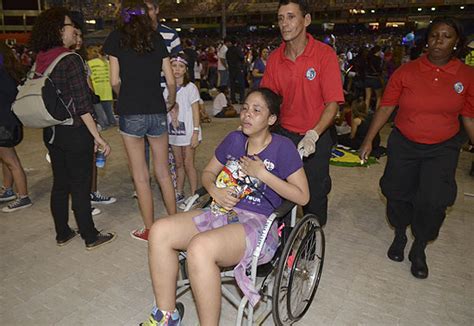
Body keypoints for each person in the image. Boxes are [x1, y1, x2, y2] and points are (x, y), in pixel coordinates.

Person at [142, 88, 309, 326]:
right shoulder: (234, 139)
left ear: (271, 119)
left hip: (260, 223)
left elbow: (302, 197)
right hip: (221, 211)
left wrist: (263, 174)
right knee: (159, 231)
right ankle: (167, 315)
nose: (247, 115)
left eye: (256, 110)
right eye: (245, 108)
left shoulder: (283, 148)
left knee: (200, 248)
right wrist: (214, 190)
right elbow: (209, 173)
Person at [359, 17, 474, 279]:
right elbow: (386, 106)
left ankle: (419, 246)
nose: (438, 42)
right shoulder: (406, 71)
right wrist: (368, 139)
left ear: (456, 41)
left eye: (446, 36)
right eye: (434, 35)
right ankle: (400, 235)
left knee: (434, 201)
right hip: (404, 143)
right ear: (427, 39)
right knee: (396, 192)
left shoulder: (467, 76)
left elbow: (468, 115)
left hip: (442, 148)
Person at [30, 7, 115, 249]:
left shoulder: (42, 58)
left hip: (52, 131)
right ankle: (90, 235)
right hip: (75, 131)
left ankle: (62, 232)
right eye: (70, 27)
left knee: (60, 183)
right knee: (80, 184)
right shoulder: (70, 59)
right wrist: (98, 137)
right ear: (59, 30)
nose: (74, 30)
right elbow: (82, 105)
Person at [261, 0, 344, 226]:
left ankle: (311, 239)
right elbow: (268, 100)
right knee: (276, 190)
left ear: (306, 20)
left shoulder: (324, 55)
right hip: (284, 134)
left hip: (317, 133)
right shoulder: (275, 58)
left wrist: (314, 134)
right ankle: (277, 241)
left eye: (291, 17)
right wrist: (254, 120)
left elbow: (333, 104)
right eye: (280, 18)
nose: (284, 24)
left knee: (314, 193)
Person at [104, 0, 177, 242]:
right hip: (156, 109)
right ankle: (176, 223)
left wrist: (124, 95)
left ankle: (149, 229)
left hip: (130, 111)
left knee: (141, 176)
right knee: (163, 172)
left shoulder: (116, 38)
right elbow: (171, 80)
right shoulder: (156, 38)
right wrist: (170, 101)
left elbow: (114, 80)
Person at [164, 54, 202, 205]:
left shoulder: (190, 88)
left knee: (188, 164)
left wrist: (195, 132)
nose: (177, 69)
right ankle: (179, 192)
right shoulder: (167, 89)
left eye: (181, 66)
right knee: (178, 164)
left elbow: (195, 111)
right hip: (173, 134)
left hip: (188, 133)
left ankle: (194, 195)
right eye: (173, 66)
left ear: (186, 69)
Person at [0, 43, 32, 213]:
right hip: (12, 121)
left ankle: (23, 196)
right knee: (6, 158)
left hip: (3, 123)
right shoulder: (10, 72)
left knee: (11, 161)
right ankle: (8, 189)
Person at [364, 45, 383, 111]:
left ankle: (365, 112)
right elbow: (379, 70)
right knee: (379, 97)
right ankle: (377, 111)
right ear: (378, 51)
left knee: (367, 97)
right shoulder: (378, 59)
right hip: (375, 79)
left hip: (367, 78)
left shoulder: (368, 58)